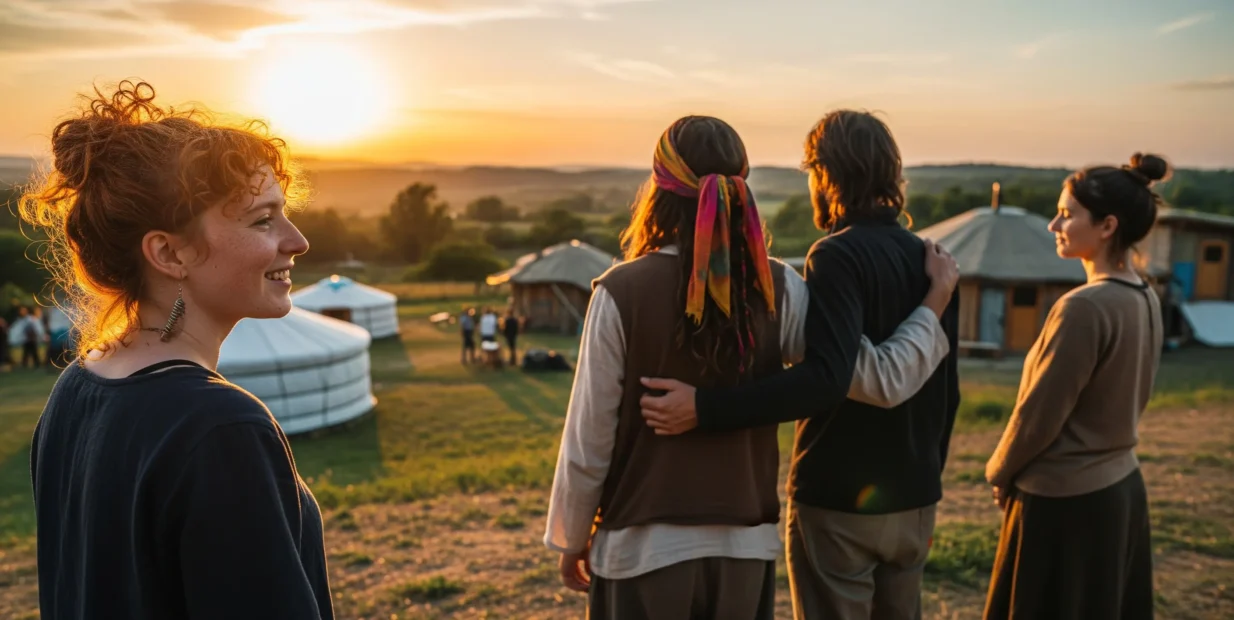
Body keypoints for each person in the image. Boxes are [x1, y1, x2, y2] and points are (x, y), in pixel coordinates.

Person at [544, 115, 960, 620]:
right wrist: (932, 306)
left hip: (642, 548)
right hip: (746, 549)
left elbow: (589, 437)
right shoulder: (781, 287)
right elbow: (867, 375)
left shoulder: (620, 291)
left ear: (659, 188)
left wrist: (571, 533)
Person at [22, 81, 333, 619]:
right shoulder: (219, 428)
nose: (297, 240)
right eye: (263, 219)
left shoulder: (76, 387)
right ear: (168, 252)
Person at [982, 153, 1168, 620]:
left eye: (1067, 215)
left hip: (1063, 501)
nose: (1053, 225)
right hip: (1120, 488)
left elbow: (1039, 415)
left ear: (1107, 226)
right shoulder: (1144, 295)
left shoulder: (1084, 307)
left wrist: (999, 471)